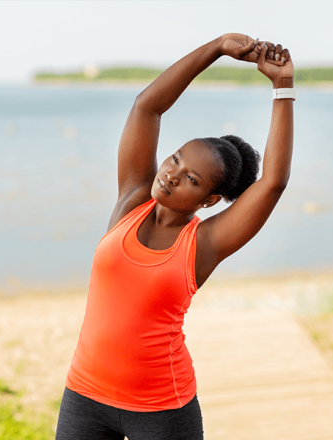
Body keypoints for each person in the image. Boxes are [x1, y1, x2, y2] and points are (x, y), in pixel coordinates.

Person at [55, 33, 294, 440]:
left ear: (210, 199)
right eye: (176, 158)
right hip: (85, 397)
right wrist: (216, 48)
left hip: (162, 410)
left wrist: (282, 88)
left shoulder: (204, 244)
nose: (171, 174)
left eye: (191, 179)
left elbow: (272, 182)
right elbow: (147, 106)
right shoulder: (132, 199)